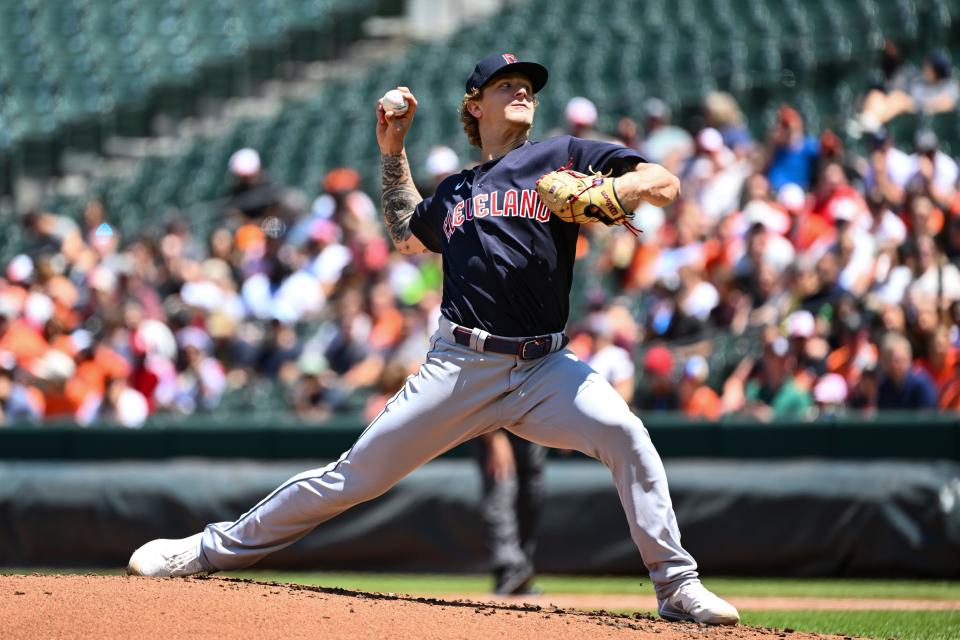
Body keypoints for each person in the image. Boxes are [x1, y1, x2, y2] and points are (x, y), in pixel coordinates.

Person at [127, 52, 739, 626]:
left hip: (544, 367)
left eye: (528, 85)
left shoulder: (562, 155)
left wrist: (616, 189)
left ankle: (675, 585)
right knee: (351, 479)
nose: (524, 89)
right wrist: (393, 151)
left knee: (627, 435)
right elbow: (402, 230)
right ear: (475, 105)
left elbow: (663, 181)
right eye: (507, 85)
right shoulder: (454, 191)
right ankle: (207, 550)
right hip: (459, 365)